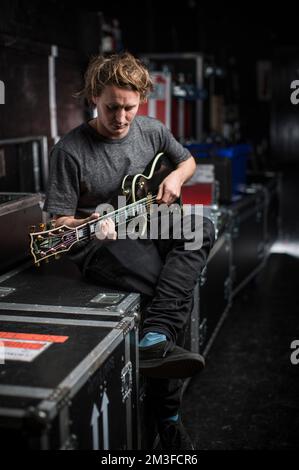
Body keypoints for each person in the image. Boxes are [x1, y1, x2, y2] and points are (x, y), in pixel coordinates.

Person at [43, 52, 215, 450]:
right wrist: (89, 224)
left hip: (146, 224)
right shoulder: (69, 150)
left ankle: (154, 336)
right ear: (93, 98)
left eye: (130, 107)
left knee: (199, 227)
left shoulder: (152, 130)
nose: (121, 118)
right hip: (101, 241)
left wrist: (175, 176)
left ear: (141, 101)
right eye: (111, 107)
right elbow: (57, 225)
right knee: (166, 289)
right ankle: (168, 417)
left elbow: (187, 161)